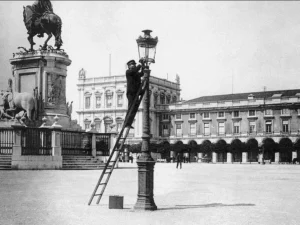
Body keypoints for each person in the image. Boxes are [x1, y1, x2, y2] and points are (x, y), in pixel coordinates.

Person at [125, 59, 145, 128]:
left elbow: (141, 73)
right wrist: (140, 65)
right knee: (131, 108)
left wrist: (143, 65)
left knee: (134, 109)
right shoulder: (128, 72)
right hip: (131, 93)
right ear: (129, 66)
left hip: (137, 92)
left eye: (134, 64)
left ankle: (129, 123)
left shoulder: (135, 73)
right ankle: (127, 123)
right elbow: (134, 71)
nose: (134, 66)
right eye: (132, 65)